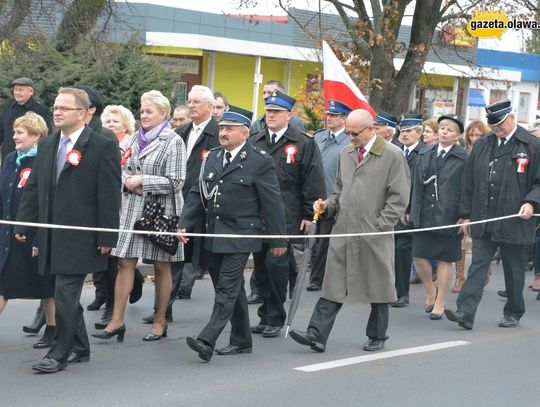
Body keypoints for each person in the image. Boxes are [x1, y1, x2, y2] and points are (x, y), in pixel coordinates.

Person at [14, 87, 121, 373]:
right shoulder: (49, 144)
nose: (57, 112)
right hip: (52, 233)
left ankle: (59, 352)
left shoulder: (102, 145)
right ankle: (81, 347)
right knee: (64, 294)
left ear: (84, 113)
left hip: (82, 235)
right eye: (56, 108)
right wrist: (25, 222)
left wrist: (108, 236)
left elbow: (109, 195)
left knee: (64, 292)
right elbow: (35, 187)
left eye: (65, 108)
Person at [289, 109, 410, 352]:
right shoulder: (347, 153)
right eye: (349, 133)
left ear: (371, 129)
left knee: (379, 287)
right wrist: (327, 206)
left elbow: (399, 198)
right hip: (343, 230)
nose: (351, 138)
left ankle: (377, 336)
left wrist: (380, 225)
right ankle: (316, 334)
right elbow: (338, 191)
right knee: (333, 283)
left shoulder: (392, 155)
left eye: (355, 133)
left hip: (373, 233)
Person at [180, 111, 287, 361]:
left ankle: (207, 339)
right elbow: (198, 192)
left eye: (230, 129)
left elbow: (272, 203)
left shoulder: (259, 161)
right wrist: (185, 223)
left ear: (244, 133)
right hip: (214, 233)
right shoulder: (213, 157)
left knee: (226, 290)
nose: (223, 133)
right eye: (222, 129)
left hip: (242, 234)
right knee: (231, 289)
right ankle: (241, 340)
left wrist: (279, 239)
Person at [93, 90, 185, 342]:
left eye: (149, 112)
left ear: (163, 114)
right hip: (130, 208)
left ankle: (160, 321)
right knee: (124, 262)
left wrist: (143, 180)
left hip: (161, 211)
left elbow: (177, 181)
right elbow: (117, 168)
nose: (143, 116)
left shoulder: (173, 140)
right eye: (142, 111)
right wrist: (127, 181)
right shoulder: (131, 139)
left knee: (161, 266)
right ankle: (116, 320)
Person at [445, 99, 540, 329]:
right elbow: (469, 182)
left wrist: (531, 203)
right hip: (484, 217)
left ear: (512, 118)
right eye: (493, 125)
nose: (497, 129)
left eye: (500, 124)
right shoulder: (484, 144)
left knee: (514, 269)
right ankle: (465, 312)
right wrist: (466, 214)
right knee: (477, 265)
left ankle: (514, 311)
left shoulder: (532, 145)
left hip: (514, 219)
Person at [141, 85, 220, 324]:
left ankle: (226, 314)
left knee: (211, 262)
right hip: (179, 201)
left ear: (210, 106)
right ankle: (163, 310)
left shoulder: (218, 133)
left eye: (197, 102)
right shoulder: (181, 131)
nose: (192, 105)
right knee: (171, 255)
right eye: (189, 101)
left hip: (206, 205)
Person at [250, 90, 325, 338]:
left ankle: (275, 315)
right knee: (260, 266)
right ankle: (264, 314)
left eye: (277, 112)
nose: (271, 115)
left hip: (286, 213)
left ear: (289, 115)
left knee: (275, 265)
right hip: (258, 213)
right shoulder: (256, 139)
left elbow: (312, 179)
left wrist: (307, 212)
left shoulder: (302, 142)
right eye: (268, 111)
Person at [0, 112, 56, 350]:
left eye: (20, 132)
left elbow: (44, 200)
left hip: (32, 234)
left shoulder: (44, 160)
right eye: (14, 132)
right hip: (8, 232)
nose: (14, 137)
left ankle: (53, 328)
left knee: (46, 284)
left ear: (37, 136)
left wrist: (38, 237)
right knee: (2, 283)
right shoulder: (11, 158)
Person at [409, 114, 469, 319]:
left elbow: (468, 188)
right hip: (424, 212)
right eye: (442, 128)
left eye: (449, 130)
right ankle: (430, 291)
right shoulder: (425, 152)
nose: (444, 132)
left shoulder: (464, 157)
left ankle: (441, 301)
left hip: (450, 214)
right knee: (419, 256)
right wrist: (409, 208)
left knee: (445, 260)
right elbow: (415, 183)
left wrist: (465, 215)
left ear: (457, 135)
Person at [94, 104, 141, 330]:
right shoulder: (100, 142)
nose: (110, 125)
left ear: (126, 125)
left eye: (115, 121)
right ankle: (130, 281)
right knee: (106, 255)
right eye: (107, 121)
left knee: (114, 257)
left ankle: (113, 307)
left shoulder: (130, 144)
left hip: (125, 205)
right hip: (104, 204)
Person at [307, 99, 352, 292]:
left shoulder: (349, 141)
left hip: (333, 197)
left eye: (333, 115)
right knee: (313, 239)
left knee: (326, 241)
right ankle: (313, 272)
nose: (328, 118)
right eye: (327, 114)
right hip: (313, 196)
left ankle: (318, 278)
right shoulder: (319, 137)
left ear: (343, 118)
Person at [390, 114, 425, 308]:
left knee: (402, 250)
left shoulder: (424, 152)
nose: (404, 134)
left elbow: (418, 185)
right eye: (402, 130)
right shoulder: (396, 150)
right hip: (391, 207)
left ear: (419, 133)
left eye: (408, 131)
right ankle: (390, 289)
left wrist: (410, 208)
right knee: (390, 251)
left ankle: (402, 293)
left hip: (408, 210)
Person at [452, 120, 491, 293]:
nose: (474, 139)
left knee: (478, 243)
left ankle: (481, 272)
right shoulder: (462, 153)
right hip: (462, 202)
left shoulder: (488, 152)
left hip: (481, 205)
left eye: (478, 135)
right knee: (460, 242)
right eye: (471, 135)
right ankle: (460, 278)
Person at [0, 77, 51, 164]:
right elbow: (1, 130)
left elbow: (46, 135)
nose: (17, 93)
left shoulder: (41, 110)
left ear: (31, 92)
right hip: (8, 156)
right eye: (15, 90)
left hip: (30, 157)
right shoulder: (8, 106)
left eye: (21, 90)